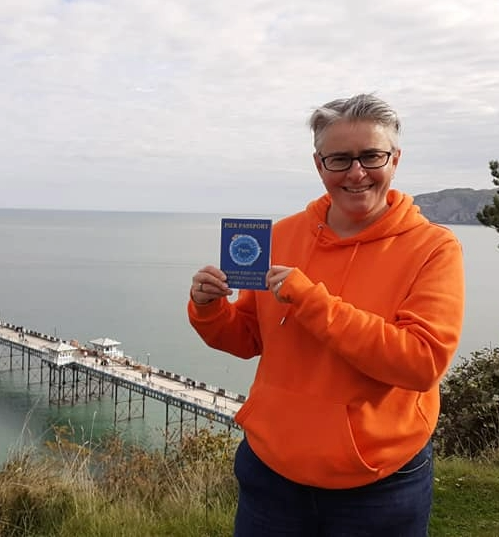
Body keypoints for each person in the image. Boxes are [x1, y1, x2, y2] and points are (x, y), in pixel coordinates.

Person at [187, 93, 465, 536]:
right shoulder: (281, 235)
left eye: (371, 156)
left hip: (378, 483)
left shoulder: (432, 248)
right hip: (270, 471)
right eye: (339, 159)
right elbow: (246, 340)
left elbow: (421, 363)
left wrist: (312, 302)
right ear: (319, 165)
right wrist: (209, 307)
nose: (357, 173)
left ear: (395, 159)